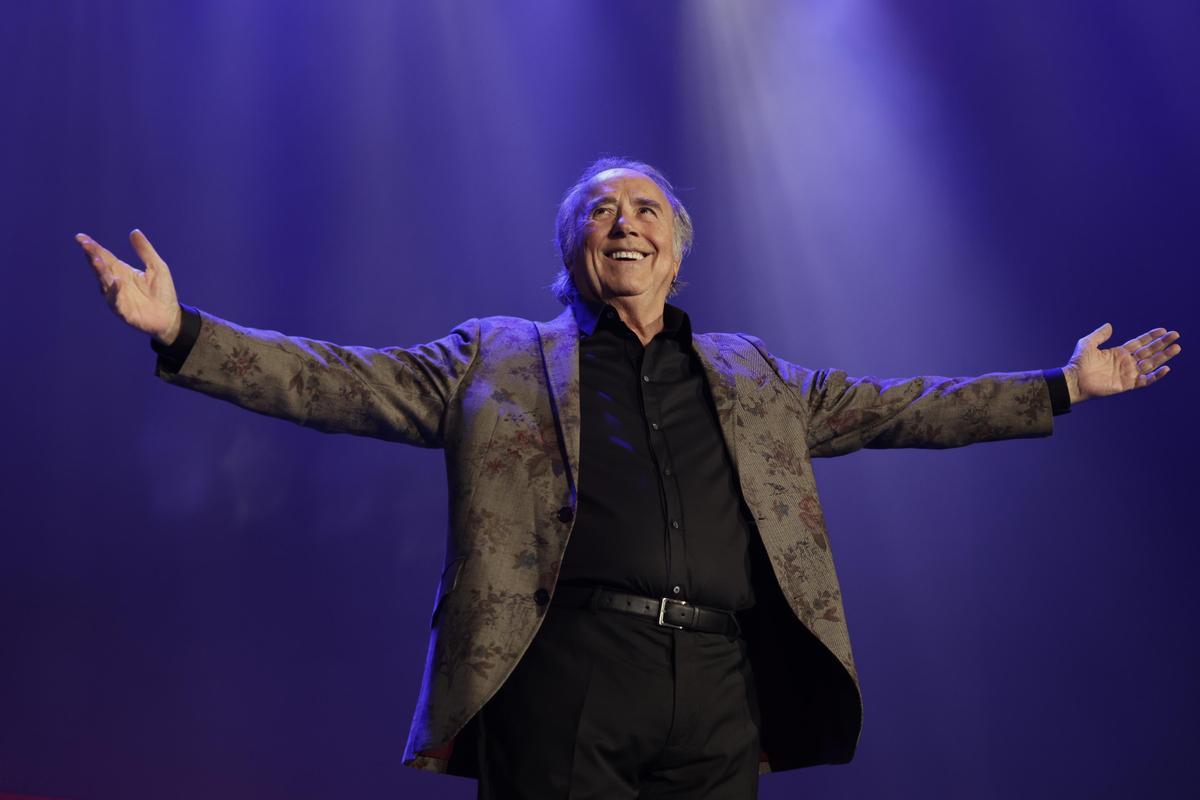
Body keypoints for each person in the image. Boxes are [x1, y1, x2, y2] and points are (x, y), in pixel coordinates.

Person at [77, 157, 1180, 799]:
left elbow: (903, 406)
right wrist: (184, 331)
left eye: (646, 207)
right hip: (565, 674)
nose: (626, 221)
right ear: (574, 248)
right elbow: (333, 379)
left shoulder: (753, 375)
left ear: (679, 249)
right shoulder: (496, 356)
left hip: (718, 681)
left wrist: (1061, 387)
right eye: (602, 209)